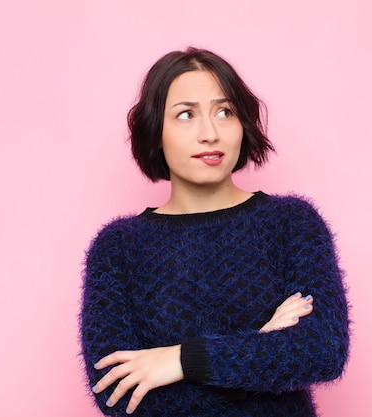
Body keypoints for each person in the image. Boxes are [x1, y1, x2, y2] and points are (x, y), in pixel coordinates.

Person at [80, 47, 350, 416]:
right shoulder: (118, 247)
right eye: (186, 115)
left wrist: (180, 361)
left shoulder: (291, 223)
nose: (209, 133)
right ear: (156, 130)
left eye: (225, 112)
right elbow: (119, 393)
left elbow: (322, 350)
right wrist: (261, 346)